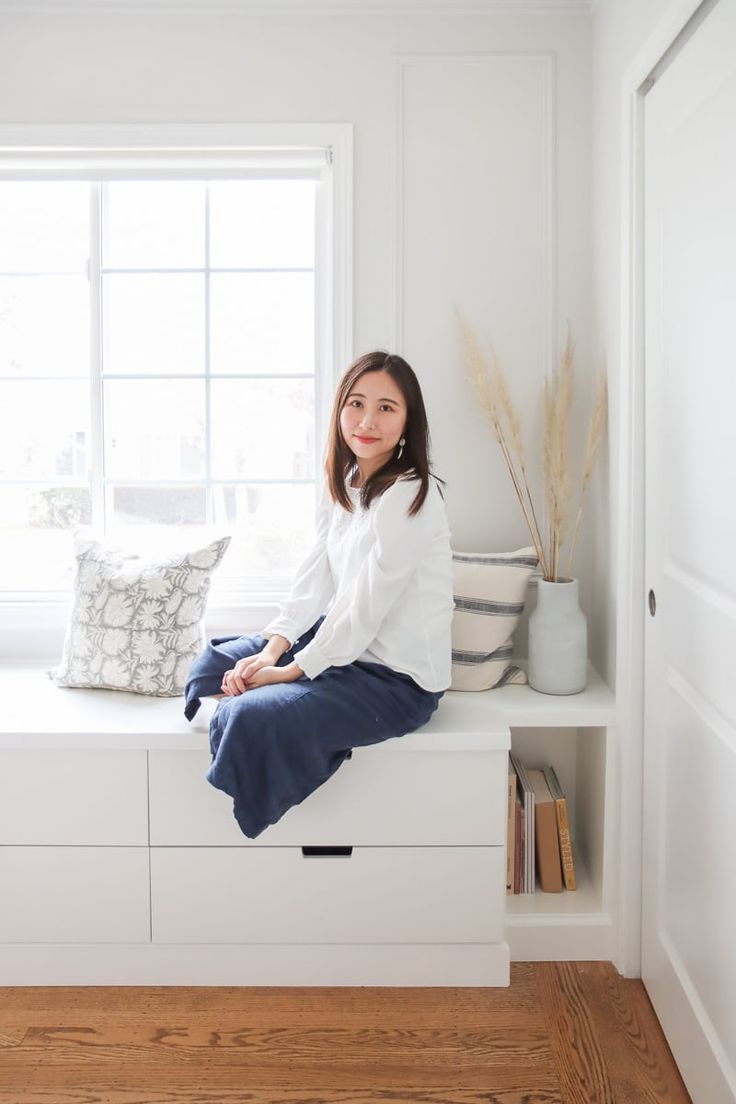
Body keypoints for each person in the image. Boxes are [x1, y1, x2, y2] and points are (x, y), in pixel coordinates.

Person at [184, 350, 454, 838]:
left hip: (395, 679)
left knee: (249, 715)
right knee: (211, 666)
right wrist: (274, 646)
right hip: (343, 647)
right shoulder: (348, 481)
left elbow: (364, 607)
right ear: (339, 411)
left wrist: (289, 671)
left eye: (387, 408)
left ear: (409, 421)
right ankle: (286, 697)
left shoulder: (412, 497)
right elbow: (315, 581)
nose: (367, 420)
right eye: (356, 403)